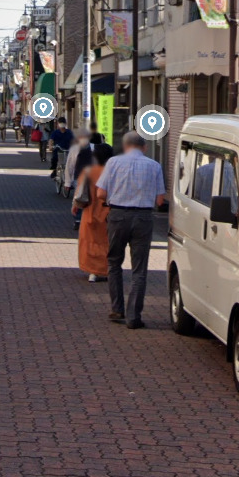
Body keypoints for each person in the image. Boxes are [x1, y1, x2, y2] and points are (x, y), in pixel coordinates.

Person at [95, 132, 167, 329]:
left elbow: (101, 193)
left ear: (125, 146)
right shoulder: (154, 166)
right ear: (144, 147)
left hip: (117, 215)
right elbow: (160, 200)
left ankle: (117, 308)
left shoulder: (113, 163)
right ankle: (134, 316)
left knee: (114, 262)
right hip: (143, 217)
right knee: (139, 269)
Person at [73, 151, 111, 283]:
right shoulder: (112, 172)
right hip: (108, 213)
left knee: (89, 242)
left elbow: (80, 193)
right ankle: (106, 269)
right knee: (107, 243)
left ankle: (92, 272)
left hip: (89, 211)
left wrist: (75, 206)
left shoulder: (88, 172)